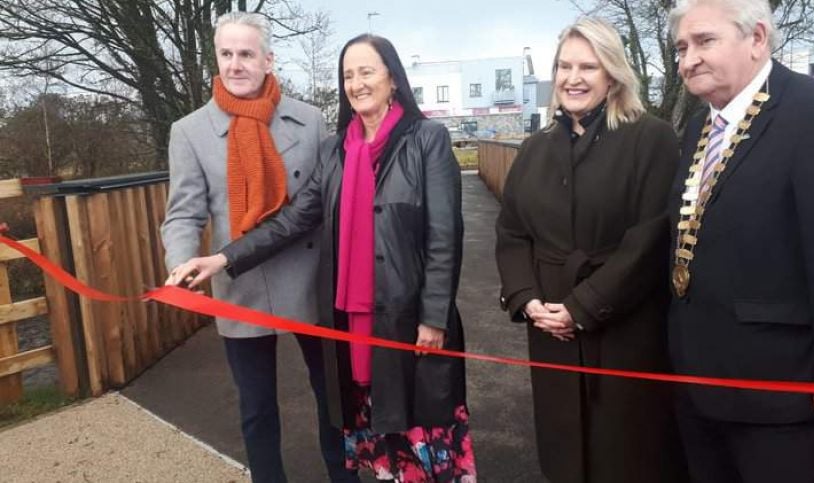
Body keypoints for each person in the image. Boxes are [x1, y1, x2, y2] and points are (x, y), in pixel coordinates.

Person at [166, 33, 477, 482]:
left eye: (367, 71)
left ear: (393, 77)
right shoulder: (336, 150)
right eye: (348, 75)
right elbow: (292, 220)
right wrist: (223, 259)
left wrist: (434, 318)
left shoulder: (427, 139)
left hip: (406, 315)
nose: (356, 84)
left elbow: (445, 236)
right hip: (352, 318)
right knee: (377, 434)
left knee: (422, 430)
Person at [667, 0, 814, 481]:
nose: (689, 59)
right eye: (681, 47)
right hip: (699, 389)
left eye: (705, 41)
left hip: (781, 401)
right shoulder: (698, 126)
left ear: (756, 38)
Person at [160, 12, 356, 483]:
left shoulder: (309, 120)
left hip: (311, 279)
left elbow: (323, 203)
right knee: (257, 408)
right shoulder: (189, 131)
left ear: (268, 60)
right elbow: (184, 213)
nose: (235, 65)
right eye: (226, 54)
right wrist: (181, 262)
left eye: (246, 54)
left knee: (332, 396)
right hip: (241, 283)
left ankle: (345, 476)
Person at [495, 17, 687, 483]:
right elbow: (512, 232)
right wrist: (526, 298)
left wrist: (582, 307)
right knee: (562, 452)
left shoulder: (651, 138)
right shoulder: (534, 148)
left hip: (623, 330)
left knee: (626, 455)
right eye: (564, 66)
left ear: (613, 74)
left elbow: (649, 240)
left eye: (588, 66)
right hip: (550, 330)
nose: (573, 78)